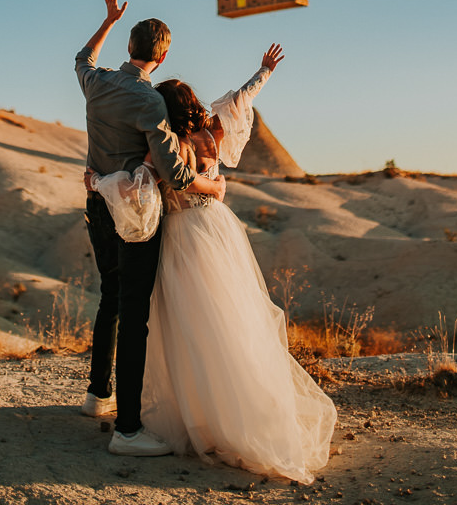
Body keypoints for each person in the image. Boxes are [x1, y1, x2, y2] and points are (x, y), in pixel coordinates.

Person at [138, 46, 337, 483]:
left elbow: (144, 183)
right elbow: (240, 101)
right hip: (218, 229)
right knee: (233, 318)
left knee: (191, 324)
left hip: (182, 237)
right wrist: (263, 71)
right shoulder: (211, 136)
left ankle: (204, 415)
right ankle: (246, 407)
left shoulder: (164, 144)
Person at [75, 0, 226, 458]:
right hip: (135, 216)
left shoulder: (95, 81)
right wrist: (214, 186)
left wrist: (109, 19)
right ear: (161, 57)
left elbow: (81, 56)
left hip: (97, 205)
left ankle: (97, 396)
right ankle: (128, 430)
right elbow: (177, 175)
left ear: (129, 48)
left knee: (111, 298)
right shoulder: (150, 102)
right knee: (135, 314)